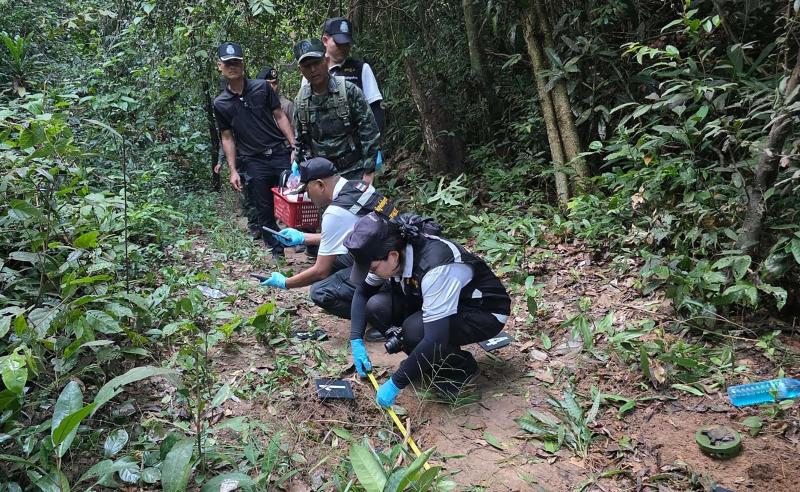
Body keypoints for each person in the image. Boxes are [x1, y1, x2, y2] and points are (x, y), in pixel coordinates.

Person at [344, 212, 512, 408]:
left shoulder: (435, 268)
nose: (370, 273)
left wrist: (396, 382)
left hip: (484, 312)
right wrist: (356, 340)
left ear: (393, 256)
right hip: (437, 301)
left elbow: (435, 339)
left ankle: (460, 369)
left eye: (372, 269)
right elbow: (362, 293)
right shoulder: (392, 253)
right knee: (377, 307)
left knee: (415, 331)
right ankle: (429, 362)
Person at [259, 157, 399, 322]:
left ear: (320, 184)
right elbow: (348, 234)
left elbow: (321, 271)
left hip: (387, 270)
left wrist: (286, 283)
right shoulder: (361, 187)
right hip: (395, 257)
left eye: (307, 190)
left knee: (320, 291)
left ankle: (381, 318)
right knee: (335, 261)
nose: (308, 197)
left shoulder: (335, 212)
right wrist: (303, 238)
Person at [213, 42, 296, 258]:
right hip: (253, 160)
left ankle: (304, 243)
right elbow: (227, 137)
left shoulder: (262, 87)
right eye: (228, 63)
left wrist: (294, 145)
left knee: (293, 199)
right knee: (263, 208)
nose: (233, 66)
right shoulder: (220, 103)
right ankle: (277, 252)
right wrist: (232, 170)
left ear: (243, 64)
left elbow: (280, 116)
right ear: (220, 66)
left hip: (279, 153)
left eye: (237, 62)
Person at [292, 38, 380, 183]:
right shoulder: (301, 101)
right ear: (300, 69)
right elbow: (300, 141)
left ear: (325, 61)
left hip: (354, 171)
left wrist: (369, 170)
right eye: (307, 66)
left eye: (316, 63)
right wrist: (303, 172)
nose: (313, 70)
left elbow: (369, 130)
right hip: (322, 177)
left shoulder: (349, 91)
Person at [319, 17, 385, 134]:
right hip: (323, 147)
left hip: (356, 145)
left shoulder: (361, 69)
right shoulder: (313, 71)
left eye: (347, 43)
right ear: (325, 40)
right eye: (339, 43)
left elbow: (375, 108)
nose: (344, 48)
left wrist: (377, 146)